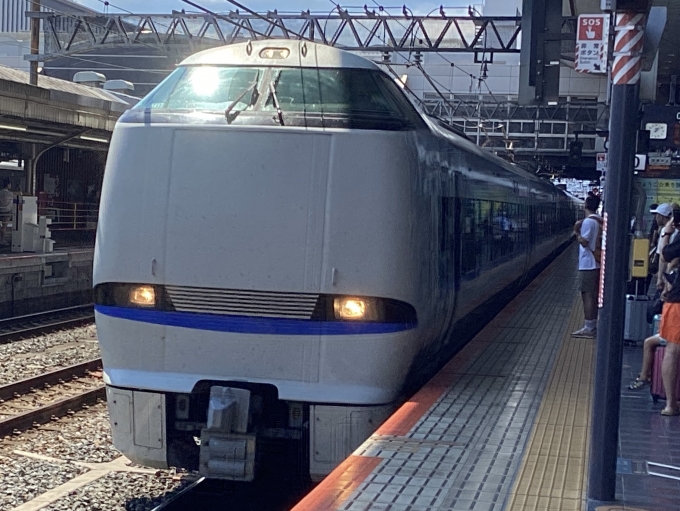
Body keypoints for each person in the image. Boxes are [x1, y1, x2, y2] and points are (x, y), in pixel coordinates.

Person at [572, 195, 602, 338]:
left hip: (588, 264)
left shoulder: (588, 222)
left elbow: (584, 242)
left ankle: (589, 327)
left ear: (586, 205)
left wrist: (577, 231)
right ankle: (592, 324)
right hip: (595, 263)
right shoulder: (599, 220)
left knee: (587, 295)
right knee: (592, 294)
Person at [658, 238, 680, 415]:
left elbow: (666, 254)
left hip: (678, 301)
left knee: (672, 350)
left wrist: (667, 233)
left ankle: (671, 404)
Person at [0, 179, 13, 247]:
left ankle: (0, 239)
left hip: (0, 211)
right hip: (7, 212)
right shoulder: (10, 194)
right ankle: (2, 240)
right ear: (7, 185)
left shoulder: (0, 192)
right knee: (4, 227)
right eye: (10, 184)